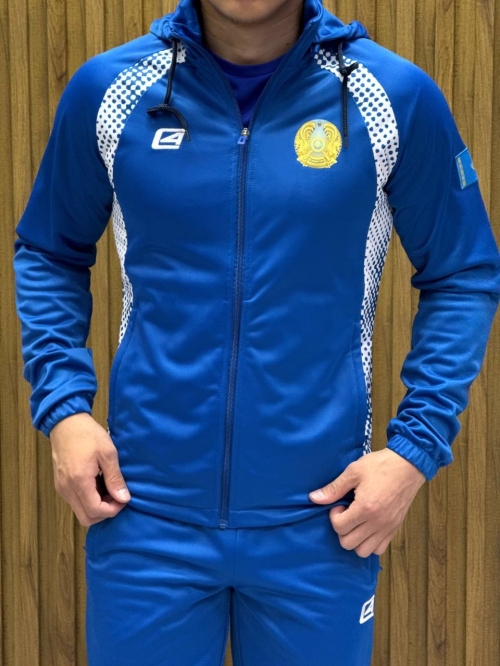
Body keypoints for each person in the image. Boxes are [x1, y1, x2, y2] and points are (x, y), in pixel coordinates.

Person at [12, 0, 500, 663]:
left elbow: (462, 272)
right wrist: (65, 410)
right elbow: (49, 251)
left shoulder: (392, 96)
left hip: (322, 522)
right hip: (145, 516)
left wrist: (414, 451)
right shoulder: (110, 91)